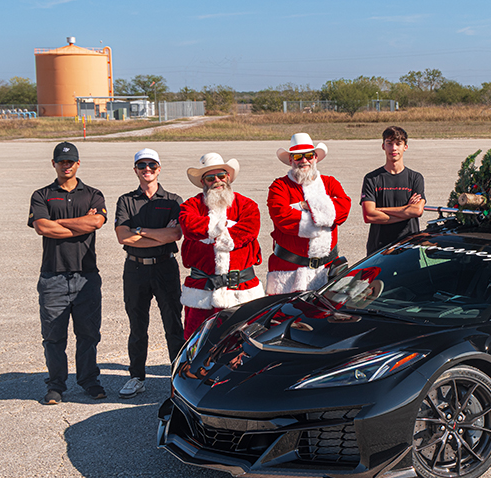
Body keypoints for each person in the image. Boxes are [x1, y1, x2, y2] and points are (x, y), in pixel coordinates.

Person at [28, 142, 107, 405]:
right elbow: (41, 227)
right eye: (61, 161)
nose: (66, 165)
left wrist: (57, 222)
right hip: (53, 276)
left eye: (71, 161)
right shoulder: (42, 195)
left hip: (86, 276)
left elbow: (96, 222)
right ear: (54, 164)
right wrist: (79, 225)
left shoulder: (93, 194)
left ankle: (89, 381)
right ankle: (56, 385)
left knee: (88, 334)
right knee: (53, 336)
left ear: (78, 163)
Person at [113, 149, 185, 399]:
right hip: (134, 269)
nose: (147, 169)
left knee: (173, 324)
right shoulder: (126, 201)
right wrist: (157, 233)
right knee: (137, 325)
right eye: (141, 165)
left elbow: (175, 235)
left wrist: (140, 230)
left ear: (159, 168)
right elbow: (123, 236)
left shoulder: (174, 200)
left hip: (165, 266)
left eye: (152, 165)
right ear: (135, 169)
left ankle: (178, 378)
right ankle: (136, 377)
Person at [178, 153, 264, 338]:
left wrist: (212, 232)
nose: (217, 181)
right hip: (202, 291)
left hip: (241, 289)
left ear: (229, 177)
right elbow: (188, 225)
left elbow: (249, 229)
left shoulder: (247, 204)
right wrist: (220, 227)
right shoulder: (190, 205)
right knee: (196, 340)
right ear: (203, 182)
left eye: (221, 176)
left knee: (243, 341)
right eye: (210, 177)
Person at [266, 133, 351, 294]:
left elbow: (343, 209)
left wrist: (304, 206)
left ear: (315, 158)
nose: (304, 160)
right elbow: (283, 218)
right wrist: (324, 214)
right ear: (291, 160)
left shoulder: (330, 183)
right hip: (288, 271)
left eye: (308, 155)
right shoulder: (279, 186)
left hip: (326, 269)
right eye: (298, 156)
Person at [361, 126, 425, 255]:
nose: (394, 148)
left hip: (409, 247)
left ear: (405, 147)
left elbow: (417, 210)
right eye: (389, 143)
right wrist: (406, 210)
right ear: (383, 146)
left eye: (398, 144)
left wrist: (379, 210)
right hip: (379, 250)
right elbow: (369, 215)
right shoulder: (372, 178)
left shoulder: (415, 178)